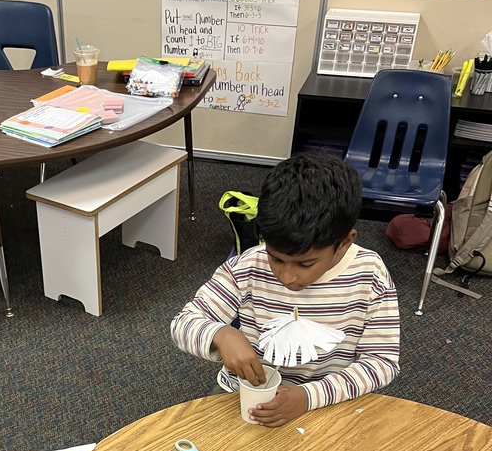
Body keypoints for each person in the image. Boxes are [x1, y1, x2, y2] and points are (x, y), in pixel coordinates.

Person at [171, 152, 400, 427]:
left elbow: (382, 362)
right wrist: (221, 334)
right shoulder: (248, 266)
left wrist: (309, 396)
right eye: (276, 258)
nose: (287, 277)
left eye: (305, 263)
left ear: (344, 243)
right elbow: (183, 323)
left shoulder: (369, 274)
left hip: (328, 398)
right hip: (243, 394)